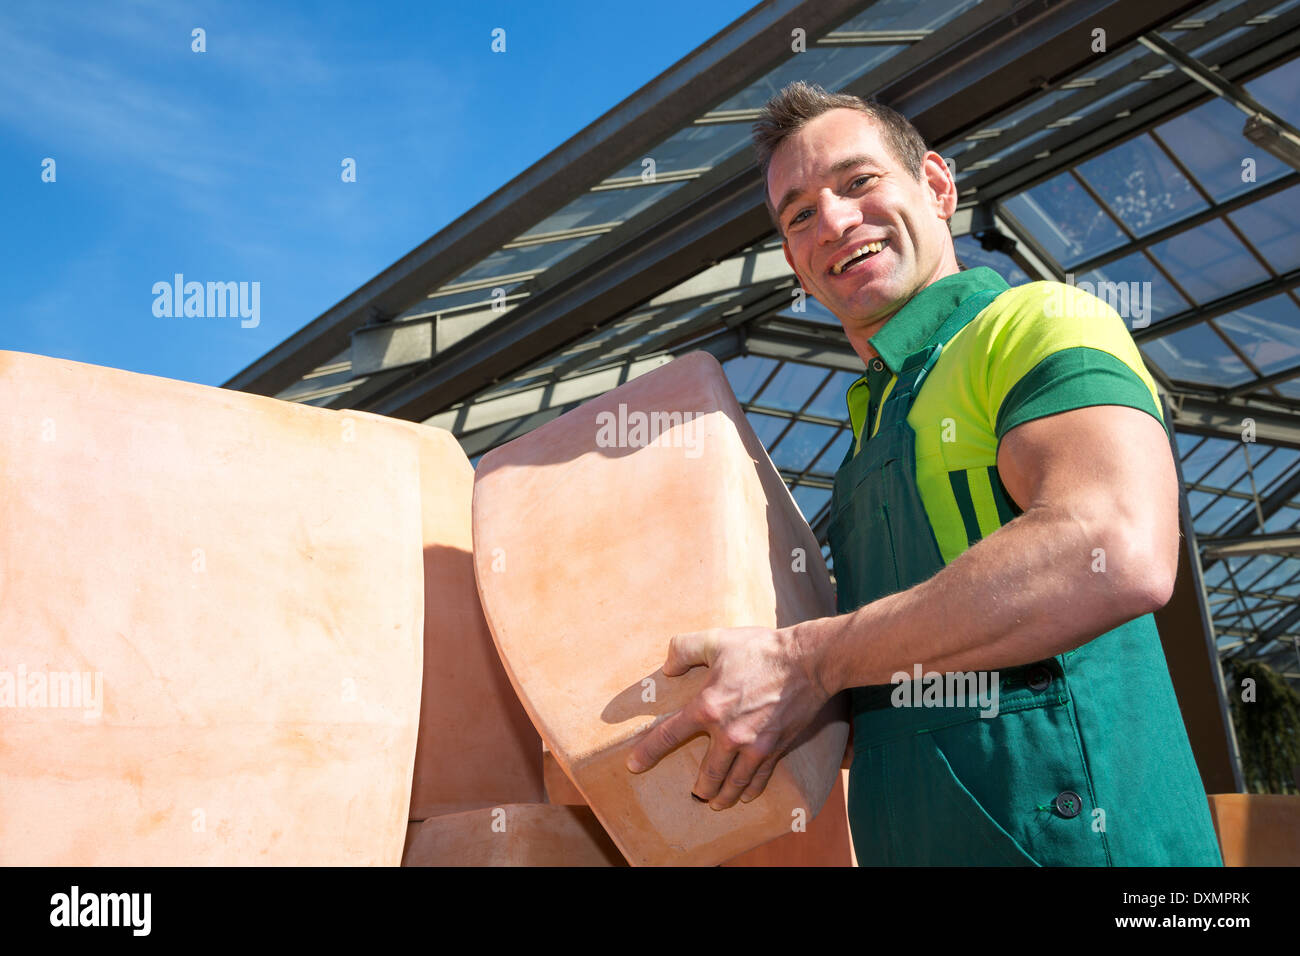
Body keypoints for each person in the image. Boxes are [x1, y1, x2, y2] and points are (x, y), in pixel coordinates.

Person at [625, 80, 1223, 866]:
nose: (834, 220)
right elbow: (896, 668)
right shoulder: (866, 434)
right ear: (797, 267)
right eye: (799, 214)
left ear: (937, 187)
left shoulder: (1035, 324)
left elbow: (1112, 549)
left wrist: (811, 659)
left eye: (858, 181)